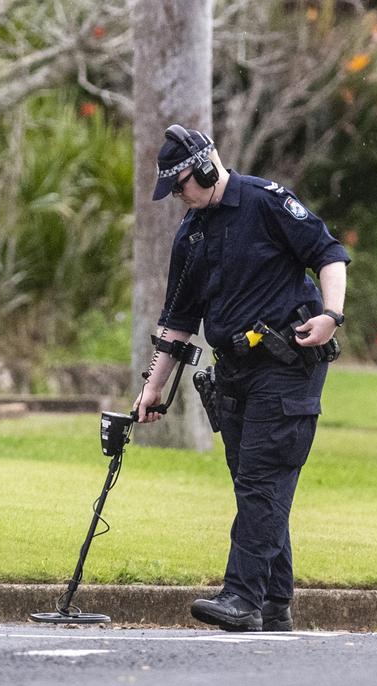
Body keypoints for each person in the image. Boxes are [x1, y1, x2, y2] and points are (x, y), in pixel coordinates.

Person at [133, 124, 350, 632]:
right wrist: (154, 386)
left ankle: (242, 597)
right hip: (233, 372)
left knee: (261, 478)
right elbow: (178, 322)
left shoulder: (266, 202)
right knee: (256, 485)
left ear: (206, 168)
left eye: (182, 185)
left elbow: (329, 253)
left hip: (287, 365)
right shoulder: (191, 233)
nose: (180, 198)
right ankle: (274, 602)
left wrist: (331, 316)